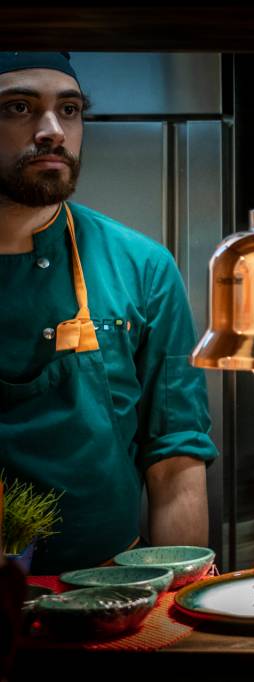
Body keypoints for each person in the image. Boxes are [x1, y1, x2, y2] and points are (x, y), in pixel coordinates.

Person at [0, 52, 218, 574]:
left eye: (70, 110)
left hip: (109, 590)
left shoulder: (141, 265)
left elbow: (175, 452)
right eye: (19, 108)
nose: (52, 131)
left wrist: (176, 595)